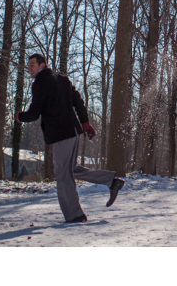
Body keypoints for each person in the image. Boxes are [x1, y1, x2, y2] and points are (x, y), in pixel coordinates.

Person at [16, 53, 124, 223]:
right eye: (28, 65)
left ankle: (75, 215)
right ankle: (111, 181)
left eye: (32, 65)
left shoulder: (41, 83)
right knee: (70, 170)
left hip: (61, 134)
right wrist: (85, 123)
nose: (29, 68)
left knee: (63, 176)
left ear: (42, 65)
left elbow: (34, 113)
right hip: (73, 131)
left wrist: (20, 117)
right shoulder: (62, 79)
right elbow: (78, 101)